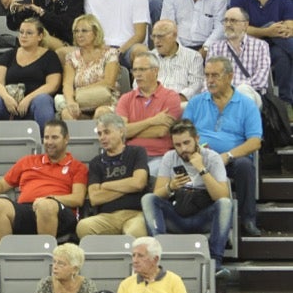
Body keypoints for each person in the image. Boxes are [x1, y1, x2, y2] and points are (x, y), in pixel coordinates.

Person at [142, 120, 234, 277]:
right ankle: (160, 256)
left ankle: (215, 261)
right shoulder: (170, 157)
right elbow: (157, 194)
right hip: (177, 216)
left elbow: (222, 196)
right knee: (148, 199)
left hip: (204, 217)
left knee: (225, 204)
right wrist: (170, 187)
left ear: (197, 139)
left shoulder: (212, 158)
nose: (183, 149)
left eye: (186, 143)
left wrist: (202, 169)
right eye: (177, 145)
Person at [0, 119, 89, 242]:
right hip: (28, 209)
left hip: (59, 212)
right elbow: (1, 184)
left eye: (54, 137)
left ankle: (45, 255)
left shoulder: (77, 167)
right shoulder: (28, 161)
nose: (49, 142)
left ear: (66, 139)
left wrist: (50, 198)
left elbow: (77, 199)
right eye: (46, 137)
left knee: (45, 206)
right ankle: (8, 256)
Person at [184, 56, 263, 236]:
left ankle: (248, 219)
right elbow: (183, 133)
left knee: (245, 166)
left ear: (229, 77)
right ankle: (193, 221)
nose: (210, 80)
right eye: (207, 75)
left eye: (215, 75)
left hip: (232, 159)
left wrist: (228, 155)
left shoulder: (246, 104)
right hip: (201, 156)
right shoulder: (196, 102)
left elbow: (254, 141)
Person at [0, 17, 63, 134]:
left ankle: (45, 142)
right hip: (10, 101)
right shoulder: (9, 55)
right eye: (21, 32)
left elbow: (53, 85)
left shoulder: (50, 57)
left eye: (29, 33)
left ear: (40, 36)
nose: (23, 36)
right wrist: (6, 98)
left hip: (35, 102)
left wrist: (28, 99)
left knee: (43, 100)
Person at [231, 0, 293, 104]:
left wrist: (280, 30)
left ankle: (286, 103)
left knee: (282, 57)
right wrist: (267, 31)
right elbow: (236, 30)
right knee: (271, 26)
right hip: (248, 46)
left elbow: (290, 26)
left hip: (276, 47)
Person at [79, 113, 150, 238]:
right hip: (106, 217)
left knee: (135, 232)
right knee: (83, 227)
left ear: (121, 132)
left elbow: (139, 183)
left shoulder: (137, 152)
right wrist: (128, 186)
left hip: (135, 214)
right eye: (100, 134)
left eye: (107, 132)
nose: (102, 138)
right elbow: (95, 198)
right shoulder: (96, 162)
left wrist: (106, 185)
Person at [117, 51, 184, 174]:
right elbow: (120, 133)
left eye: (142, 70)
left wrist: (130, 131)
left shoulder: (171, 96)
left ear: (155, 71)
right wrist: (152, 121)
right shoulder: (125, 98)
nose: (137, 75)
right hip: (129, 156)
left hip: (159, 156)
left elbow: (161, 131)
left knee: (147, 175)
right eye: (135, 70)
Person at [57, 14, 120, 120]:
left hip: (105, 100)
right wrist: (71, 101)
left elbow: (109, 82)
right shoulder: (71, 57)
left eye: (84, 31)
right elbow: (67, 84)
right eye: (76, 31)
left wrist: (81, 91)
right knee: (67, 113)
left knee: (101, 112)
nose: (79, 35)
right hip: (81, 101)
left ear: (96, 33)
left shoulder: (110, 53)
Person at [207, 7, 270, 107]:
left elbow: (260, 80)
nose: (228, 24)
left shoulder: (261, 46)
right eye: (226, 20)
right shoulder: (215, 47)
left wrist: (232, 90)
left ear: (245, 25)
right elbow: (210, 77)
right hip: (221, 94)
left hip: (251, 94)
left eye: (233, 21)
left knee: (244, 91)